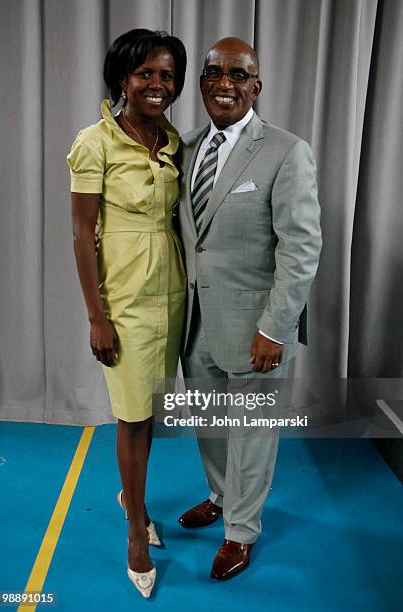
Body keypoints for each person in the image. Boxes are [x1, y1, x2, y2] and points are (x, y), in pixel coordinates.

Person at [177, 37, 322, 580]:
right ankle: (220, 496)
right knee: (210, 425)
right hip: (194, 325)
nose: (225, 83)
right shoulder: (187, 148)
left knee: (253, 431)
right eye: (214, 73)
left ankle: (241, 530)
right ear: (201, 84)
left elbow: (301, 247)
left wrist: (276, 327)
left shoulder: (287, 150)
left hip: (257, 329)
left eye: (238, 75)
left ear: (256, 87)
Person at [67, 29, 187, 598]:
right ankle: (136, 530)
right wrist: (97, 315)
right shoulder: (94, 142)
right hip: (123, 298)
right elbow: (80, 232)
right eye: (145, 74)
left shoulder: (171, 139)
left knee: (150, 409)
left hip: (172, 291)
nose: (157, 85)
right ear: (122, 78)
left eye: (166, 75)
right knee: (132, 415)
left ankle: (129, 494)